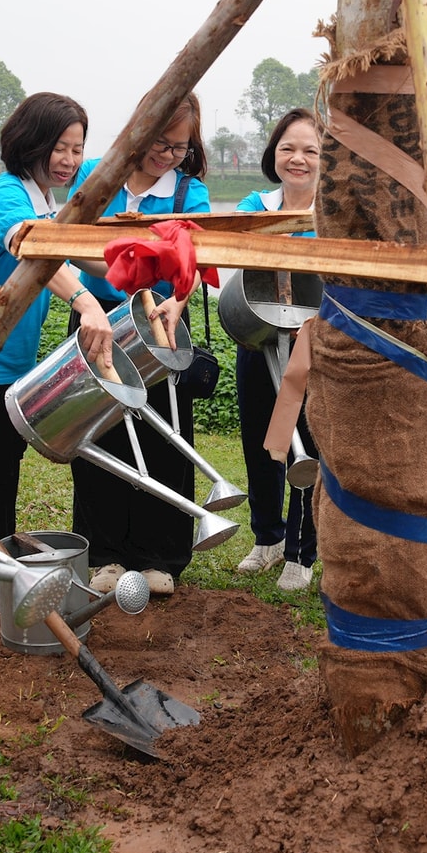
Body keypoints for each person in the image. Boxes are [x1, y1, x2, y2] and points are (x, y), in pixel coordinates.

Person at [0, 93, 112, 605]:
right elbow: (33, 247)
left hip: (13, 361)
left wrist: (137, 266)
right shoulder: (6, 195)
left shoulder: (47, 201)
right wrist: (84, 302)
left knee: (5, 467)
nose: (70, 160)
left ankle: (2, 578)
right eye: (60, 147)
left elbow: (77, 256)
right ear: (30, 142)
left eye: (78, 149)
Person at [63, 94, 213, 597]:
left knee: (165, 439)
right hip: (96, 323)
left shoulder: (189, 193)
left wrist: (178, 300)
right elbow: (68, 238)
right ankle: (104, 556)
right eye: (158, 142)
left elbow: (193, 261)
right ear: (137, 130)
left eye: (179, 147)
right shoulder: (95, 176)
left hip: (158, 325)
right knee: (99, 439)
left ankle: (160, 556)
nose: (167, 155)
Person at [231, 108, 320, 590]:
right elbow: (235, 250)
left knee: (307, 444)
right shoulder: (255, 204)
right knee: (260, 441)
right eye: (288, 148)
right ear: (273, 154)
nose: (298, 159)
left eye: (310, 150)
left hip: (315, 344)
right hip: (260, 339)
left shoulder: (334, 212)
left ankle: (300, 553)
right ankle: (265, 538)